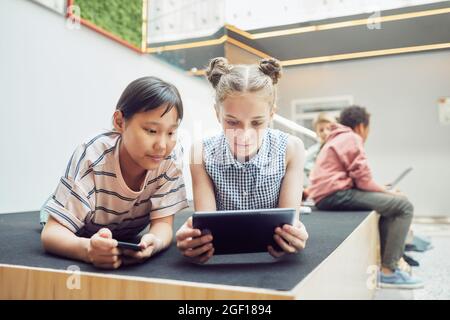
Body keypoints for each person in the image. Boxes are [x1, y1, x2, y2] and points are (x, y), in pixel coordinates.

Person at [40, 76, 188, 269]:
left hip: (123, 231)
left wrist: (154, 243)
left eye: (170, 133)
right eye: (151, 131)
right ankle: (53, 204)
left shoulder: (170, 159)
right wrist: (87, 249)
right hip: (82, 223)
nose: (161, 145)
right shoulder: (92, 156)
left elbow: (163, 224)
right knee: (53, 212)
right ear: (119, 122)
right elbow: (52, 232)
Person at [175, 57, 309, 263]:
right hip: (219, 264)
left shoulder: (291, 149)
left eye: (257, 122)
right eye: (232, 122)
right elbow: (206, 231)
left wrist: (293, 235)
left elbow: (289, 225)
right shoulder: (200, 152)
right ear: (217, 114)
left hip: (272, 263)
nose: (244, 135)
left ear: (272, 114)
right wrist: (195, 239)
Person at [308, 105, 423, 289]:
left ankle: (387, 266)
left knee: (390, 208)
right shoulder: (352, 138)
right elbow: (363, 182)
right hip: (336, 195)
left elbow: (358, 179)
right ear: (362, 126)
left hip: (326, 196)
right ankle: (389, 272)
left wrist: (380, 190)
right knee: (404, 206)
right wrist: (388, 192)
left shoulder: (337, 138)